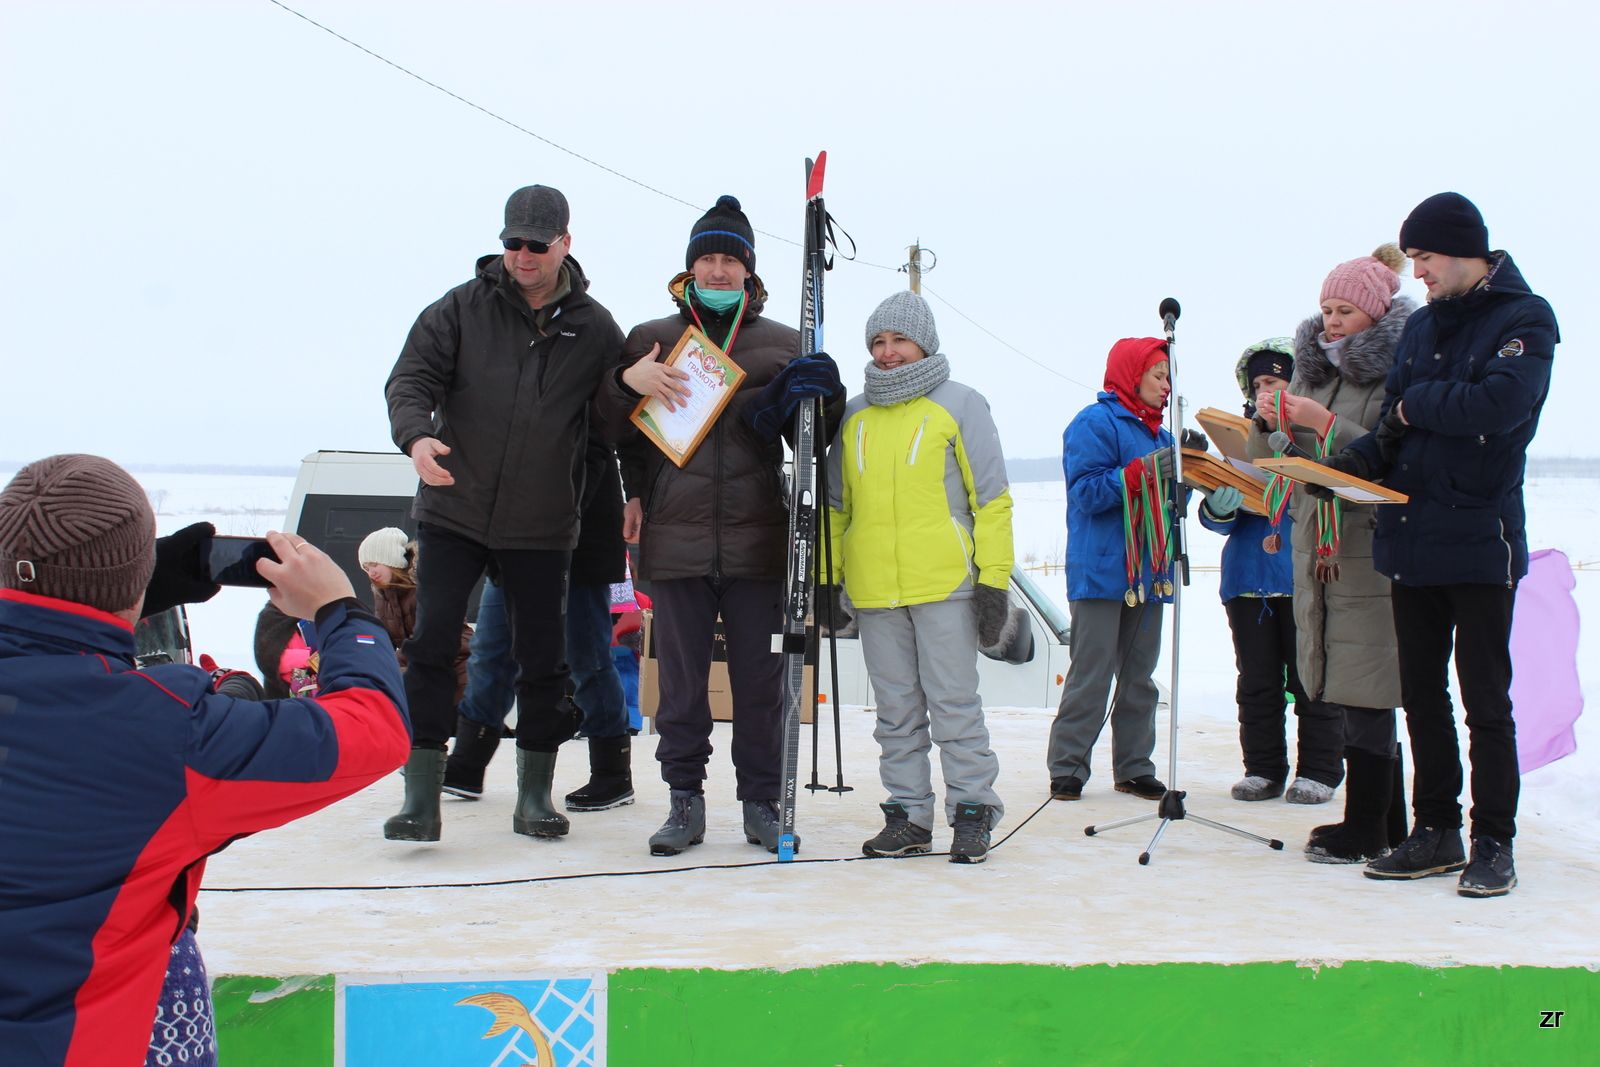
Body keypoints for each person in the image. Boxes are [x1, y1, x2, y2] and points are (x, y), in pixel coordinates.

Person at [0, 454, 409, 1066]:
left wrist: (131, 581)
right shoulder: (172, 733)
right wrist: (340, 613)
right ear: (135, 582)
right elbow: (373, 726)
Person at [1323, 194, 1557, 896]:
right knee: (1422, 696)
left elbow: (1500, 405)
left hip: (1482, 539)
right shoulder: (1421, 328)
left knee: (1485, 699)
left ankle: (1494, 842)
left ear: (1462, 250)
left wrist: (1416, 402)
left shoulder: (1525, 318)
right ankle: (1435, 830)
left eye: (1424, 259)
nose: (1417, 273)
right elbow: (1395, 434)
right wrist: (1336, 472)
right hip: (1411, 538)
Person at [601, 194, 843, 856]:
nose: (716, 270)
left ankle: (762, 801)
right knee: (679, 682)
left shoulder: (785, 340)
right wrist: (629, 381)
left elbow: (815, 440)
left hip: (760, 539)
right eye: (706, 258)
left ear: (748, 272)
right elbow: (614, 424)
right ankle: (684, 802)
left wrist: (829, 392)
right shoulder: (653, 337)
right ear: (689, 269)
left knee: (761, 683)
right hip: (674, 536)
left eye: (728, 260)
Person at [383, 183, 625, 842]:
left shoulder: (597, 328)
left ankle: (536, 797)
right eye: (512, 242)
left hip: (542, 526)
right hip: (454, 509)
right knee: (432, 645)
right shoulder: (459, 309)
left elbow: (611, 423)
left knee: (543, 660)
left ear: (564, 244)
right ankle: (420, 800)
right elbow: (410, 379)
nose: (522, 255)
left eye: (536, 244)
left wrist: (578, 485)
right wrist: (416, 434)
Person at [825, 291, 1013, 864]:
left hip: (946, 585)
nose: (888, 353)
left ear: (924, 343)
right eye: (878, 342)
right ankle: (908, 815)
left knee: (954, 703)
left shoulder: (960, 404)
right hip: (875, 589)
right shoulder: (854, 414)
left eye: (898, 340)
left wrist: (994, 581)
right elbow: (836, 507)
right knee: (896, 711)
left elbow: (994, 500)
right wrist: (829, 581)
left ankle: (974, 812)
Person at [1250, 246, 1415, 863]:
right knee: (1340, 680)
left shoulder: (1395, 373)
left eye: (1345, 309)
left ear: (1376, 314)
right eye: (1325, 309)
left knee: (1369, 681)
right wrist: (1271, 423)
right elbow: (1281, 456)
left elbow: (1388, 454)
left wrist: (1324, 422)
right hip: (1318, 543)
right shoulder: (1314, 371)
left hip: (1368, 544)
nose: (1332, 321)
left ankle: (1367, 824)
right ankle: (1385, 820)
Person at [443, 436, 634, 811]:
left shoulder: (593, 383)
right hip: (513, 538)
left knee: (586, 654)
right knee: (491, 649)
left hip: (582, 536)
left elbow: (610, 444)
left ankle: (612, 772)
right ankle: (467, 761)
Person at [1198, 339, 1336, 805]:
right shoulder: (1240, 437)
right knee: (1256, 680)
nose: (1263, 391)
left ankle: (1319, 769)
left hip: (1302, 574)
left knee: (1309, 679)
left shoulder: (1317, 434)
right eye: (1257, 384)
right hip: (1246, 579)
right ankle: (1263, 768)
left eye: (1273, 381)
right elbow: (1219, 514)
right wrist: (1219, 506)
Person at [1047, 338, 1177, 802]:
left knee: (1140, 677)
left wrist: (1197, 484)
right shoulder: (1094, 423)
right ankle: (1068, 768)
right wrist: (1143, 472)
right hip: (1102, 572)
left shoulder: (1164, 437)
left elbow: (1165, 503)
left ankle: (1135, 767)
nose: (1166, 386)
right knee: (1092, 673)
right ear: (1131, 373)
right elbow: (1086, 492)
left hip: (1150, 570)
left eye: (1169, 377)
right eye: (1158, 375)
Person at [358, 526, 470, 705]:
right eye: (366, 567)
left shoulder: (425, 589)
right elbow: (382, 638)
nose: (371, 572)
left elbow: (432, 638)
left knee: (464, 726)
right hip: (425, 671)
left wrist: (392, 662)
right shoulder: (383, 596)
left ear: (392, 561)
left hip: (457, 670)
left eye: (375, 564)